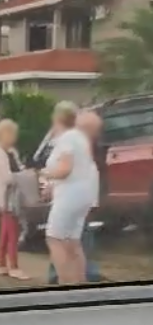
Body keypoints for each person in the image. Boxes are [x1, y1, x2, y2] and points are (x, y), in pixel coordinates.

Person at [40, 101, 98, 284]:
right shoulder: (80, 137)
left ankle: (64, 284)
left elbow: (65, 169)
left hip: (69, 195)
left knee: (54, 238)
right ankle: (80, 283)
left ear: (57, 117)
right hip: (83, 195)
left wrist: (44, 173)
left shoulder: (66, 138)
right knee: (73, 242)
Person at [0, 118, 30, 280]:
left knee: (5, 232)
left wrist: (24, 173)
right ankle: (14, 267)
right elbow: (7, 177)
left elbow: (19, 168)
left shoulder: (11, 151)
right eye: (13, 134)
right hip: (4, 199)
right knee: (12, 232)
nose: (15, 137)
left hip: (11, 197)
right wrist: (23, 177)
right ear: (4, 134)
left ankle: (1, 264)